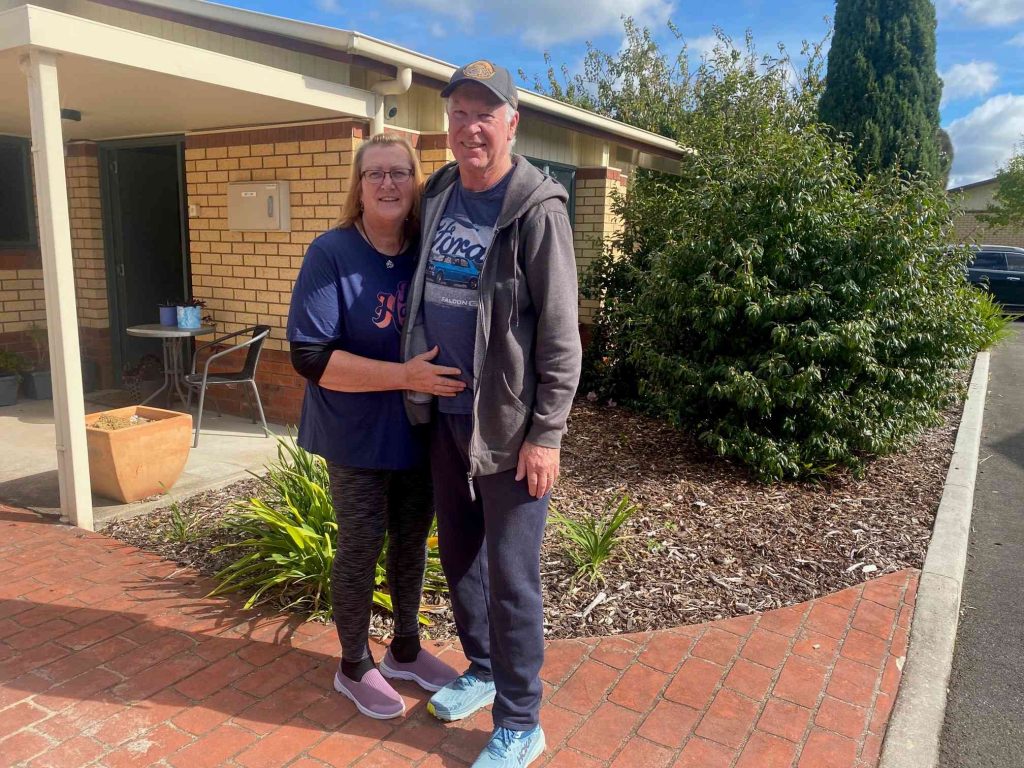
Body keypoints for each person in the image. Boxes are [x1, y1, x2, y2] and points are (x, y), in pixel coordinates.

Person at [401, 61, 583, 766]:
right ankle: (481, 670)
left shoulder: (537, 209)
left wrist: (548, 435)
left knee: (513, 577)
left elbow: (561, 334)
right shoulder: (442, 191)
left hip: (508, 430)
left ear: (512, 123)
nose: (469, 127)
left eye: (484, 114)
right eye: (458, 114)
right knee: (462, 558)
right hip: (446, 417)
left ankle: (521, 718)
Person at [287, 133, 464, 720]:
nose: (388, 184)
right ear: (358, 188)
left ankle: (405, 650)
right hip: (354, 431)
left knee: (412, 541)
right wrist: (403, 374)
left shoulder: (427, 248)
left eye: (400, 173)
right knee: (361, 545)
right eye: (375, 174)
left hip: (417, 427)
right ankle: (353, 663)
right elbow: (309, 358)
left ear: (415, 183)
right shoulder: (332, 252)